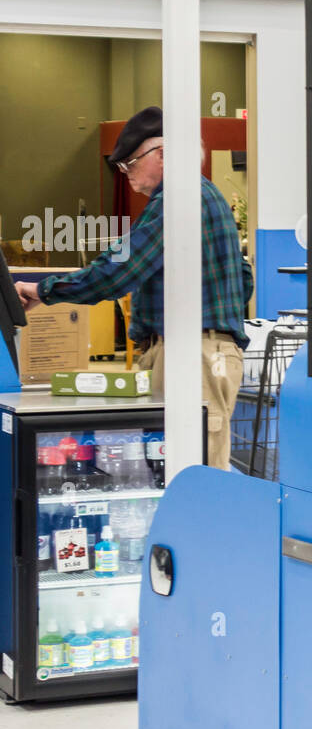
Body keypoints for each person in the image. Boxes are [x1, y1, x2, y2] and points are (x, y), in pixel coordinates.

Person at [14, 106, 253, 472]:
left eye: (130, 163)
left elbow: (117, 272)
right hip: (193, 350)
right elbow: (244, 277)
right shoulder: (200, 197)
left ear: (164, 154)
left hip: (194, 355)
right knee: (179, 470)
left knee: (192, 476)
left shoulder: (179, 199)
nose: (125, 174)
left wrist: (43, 290)